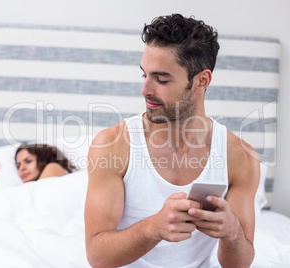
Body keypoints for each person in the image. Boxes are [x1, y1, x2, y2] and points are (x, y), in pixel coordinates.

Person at [84, 14, 260, 268]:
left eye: (162, 79)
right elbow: (97, 256)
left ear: (202, 81)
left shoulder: (240, 157)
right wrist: (153, 228)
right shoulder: (113, 144)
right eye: (144, 74)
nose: (145, 89)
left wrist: (232, 233)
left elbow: (238, 264)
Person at [0, 143, 76, 188]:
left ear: (44, 160)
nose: (22, 168)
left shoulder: (53, 167)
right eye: (18, 166)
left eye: (28, 161)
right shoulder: (27, 190)